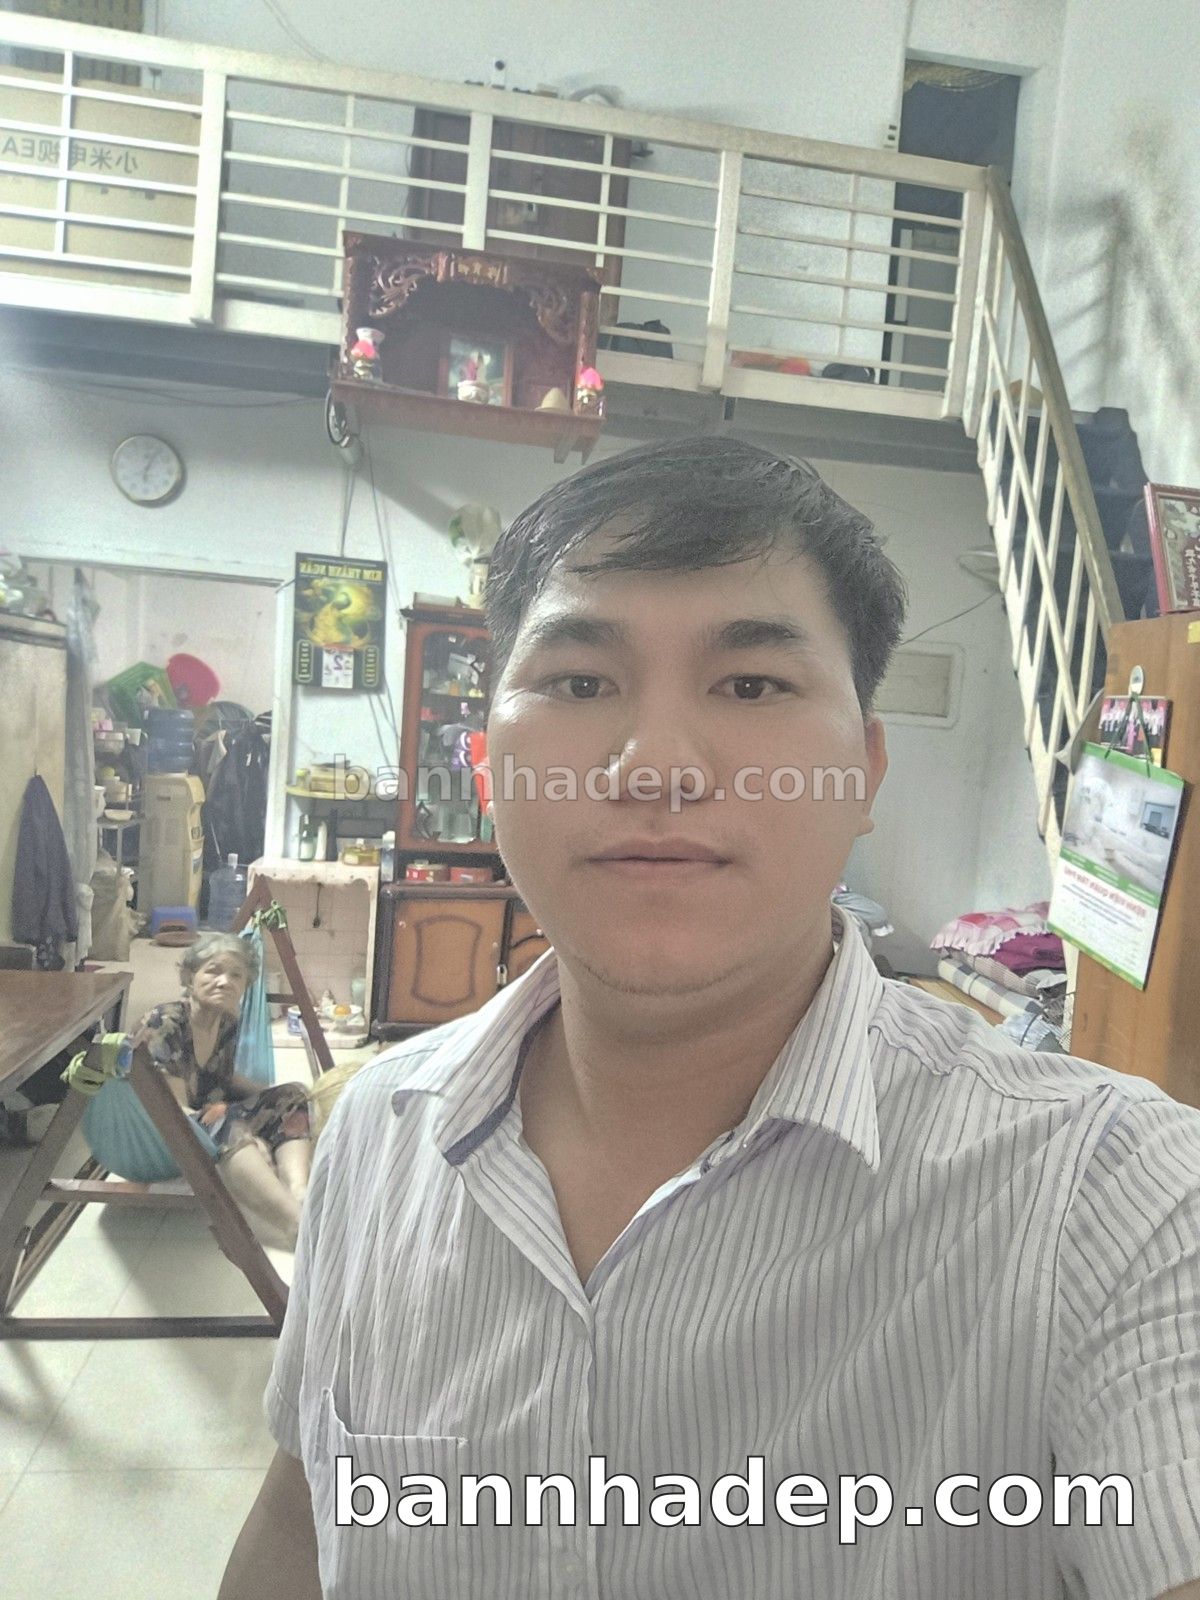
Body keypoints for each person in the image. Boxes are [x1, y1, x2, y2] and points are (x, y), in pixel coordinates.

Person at [220, 438, 1200, 1600]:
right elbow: (301, 1526)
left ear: (864, 770)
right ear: (487, 766)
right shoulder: (379, 1130)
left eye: (752, 685)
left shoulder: (1119, 1200)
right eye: (580, 682)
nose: (657, 767)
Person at [132, 931, 312, 1250]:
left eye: (236, 975)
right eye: (213, 971)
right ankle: (296, 1225)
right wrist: (246, 1133)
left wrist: (277, 1100)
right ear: (190, 977)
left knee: (291, 1096)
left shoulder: (226, 1021)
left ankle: (300, 1193)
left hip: (203, 1118)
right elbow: (172, 1110)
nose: (224, 982)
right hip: (158, 1132)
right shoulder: (165, 1022)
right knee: (225, 1123)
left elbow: (224, 1080)